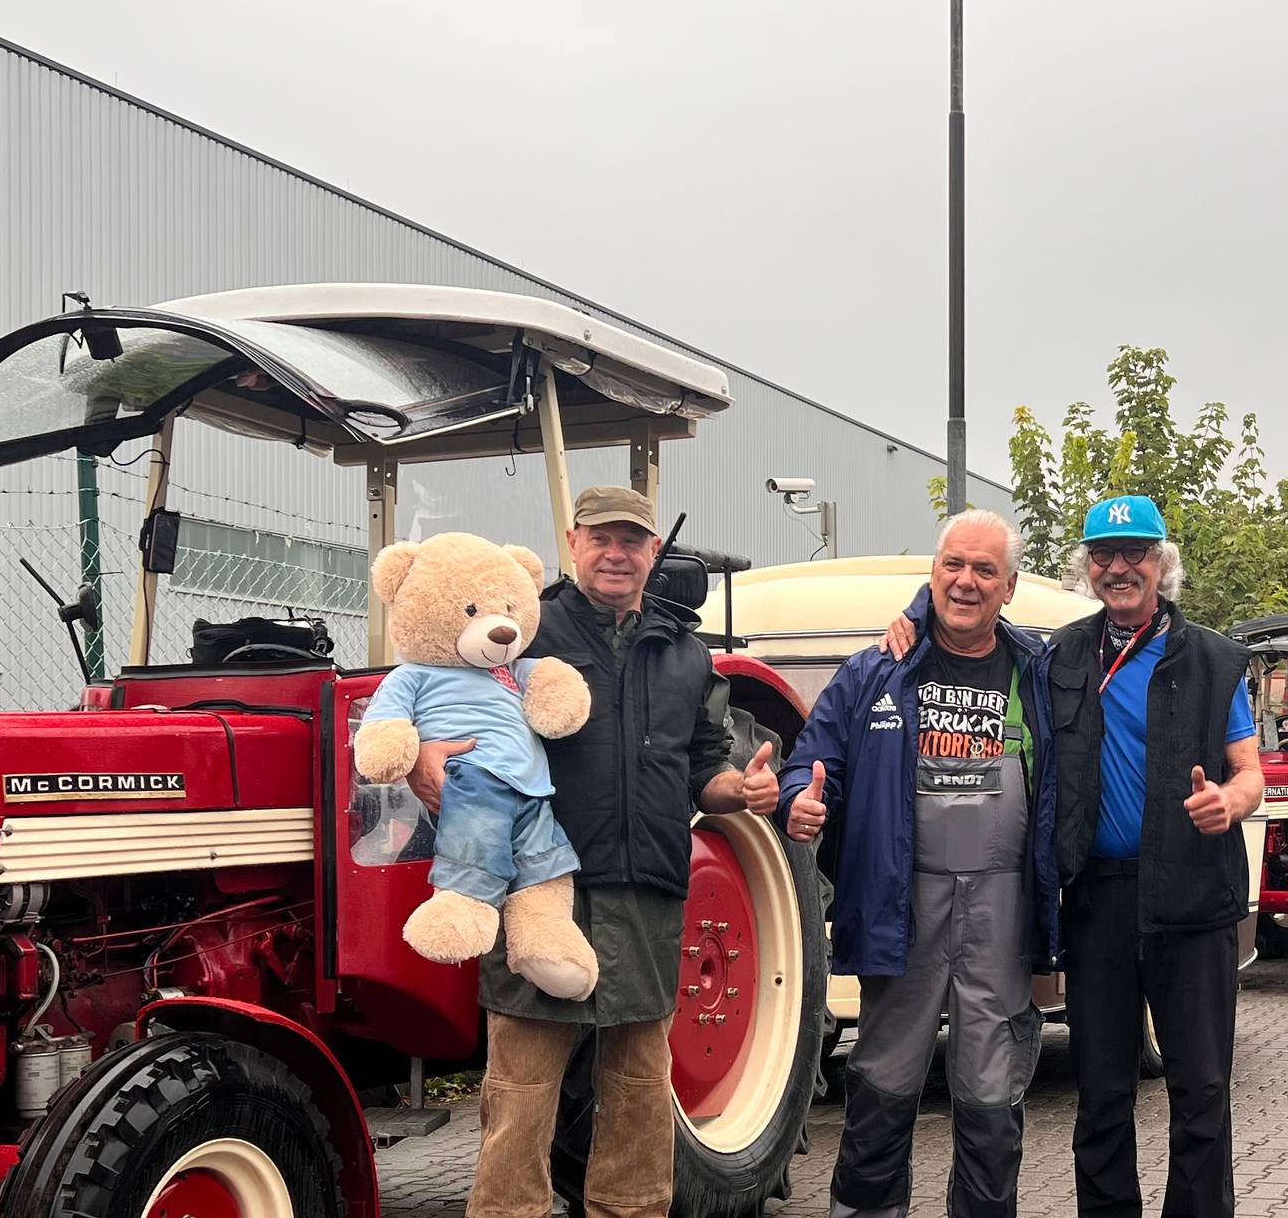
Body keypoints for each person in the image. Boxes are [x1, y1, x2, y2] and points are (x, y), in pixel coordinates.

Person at [413, 485, 779, 1218]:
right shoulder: (525, 630)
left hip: (647, 890)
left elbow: (703, 766)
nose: (618, 554)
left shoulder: (684, 654)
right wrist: (426, 752)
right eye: (603, 539)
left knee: (641, 1087)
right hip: (542, 891)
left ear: (653, 552)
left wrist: (743, 790)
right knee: (522, 1086)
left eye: (633, 541)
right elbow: (444, 701)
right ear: (573, 542)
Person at [779, 509, 1062, 1218]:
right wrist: (799, 801)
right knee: (880, 1083)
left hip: (1002, 912)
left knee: (992, 1096)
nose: (966, 582)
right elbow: (815, 760)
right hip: (902, 909)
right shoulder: (876, 671)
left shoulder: (1042, 676)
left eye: (985, 571)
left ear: (1010, 587)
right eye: (953, 566)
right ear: (932, 574)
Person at [1047, 494, 1263, 1218]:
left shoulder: (1214, 659)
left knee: (1200, 1090)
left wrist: (1227, 804)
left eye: (1135, 553)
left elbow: (1251, 773)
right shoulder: (1060, 653)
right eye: (1104, 556)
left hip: (1194, 898)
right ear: (1087, 569)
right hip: (1098, 902)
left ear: (1161, 563)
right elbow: (967, 629)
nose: (1119, 568)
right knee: (1102, 1094)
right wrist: (913, 613)